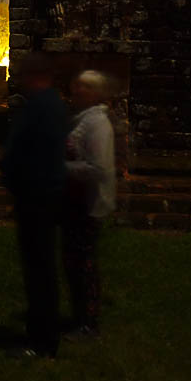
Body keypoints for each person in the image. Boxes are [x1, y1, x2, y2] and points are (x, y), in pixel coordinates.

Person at [2, 52, 68, 359]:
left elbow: (32, 153)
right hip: (41, 194)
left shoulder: (42, 107)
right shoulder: (51, 105)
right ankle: (41, 333)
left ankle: (42, 341)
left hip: (37, 197)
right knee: (40, 268)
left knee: (39, 269)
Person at [62, 71, 117, 338]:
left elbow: (98, 167)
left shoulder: (97, 124)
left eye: (84, 87)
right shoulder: (84, 120)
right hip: (77, 200)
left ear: (95, 93)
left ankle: (88, 321)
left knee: (83, 263)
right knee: (75, 261)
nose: (76, 90)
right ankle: (80, 316)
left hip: (88, 202)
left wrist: (61, 168)